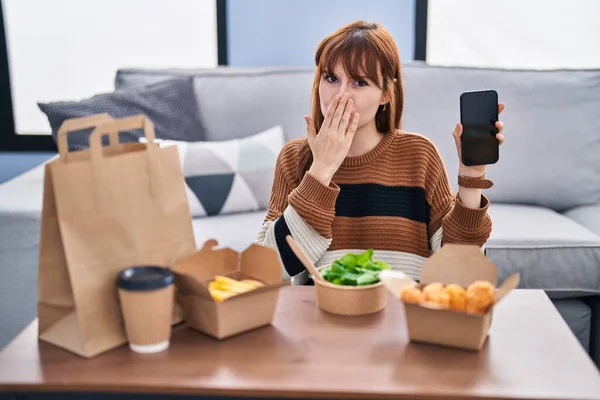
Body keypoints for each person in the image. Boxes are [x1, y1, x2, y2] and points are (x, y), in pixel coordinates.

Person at [255, 20, 505, 285]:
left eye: (359, 82)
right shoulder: (294, 157)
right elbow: (267, 269)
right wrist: (321, 170)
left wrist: (471, 178)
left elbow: (458, 270)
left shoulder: (419, 155)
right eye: (331, 79)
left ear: (386, 93)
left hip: (404, 316)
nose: (340, 95)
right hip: (324, 314)